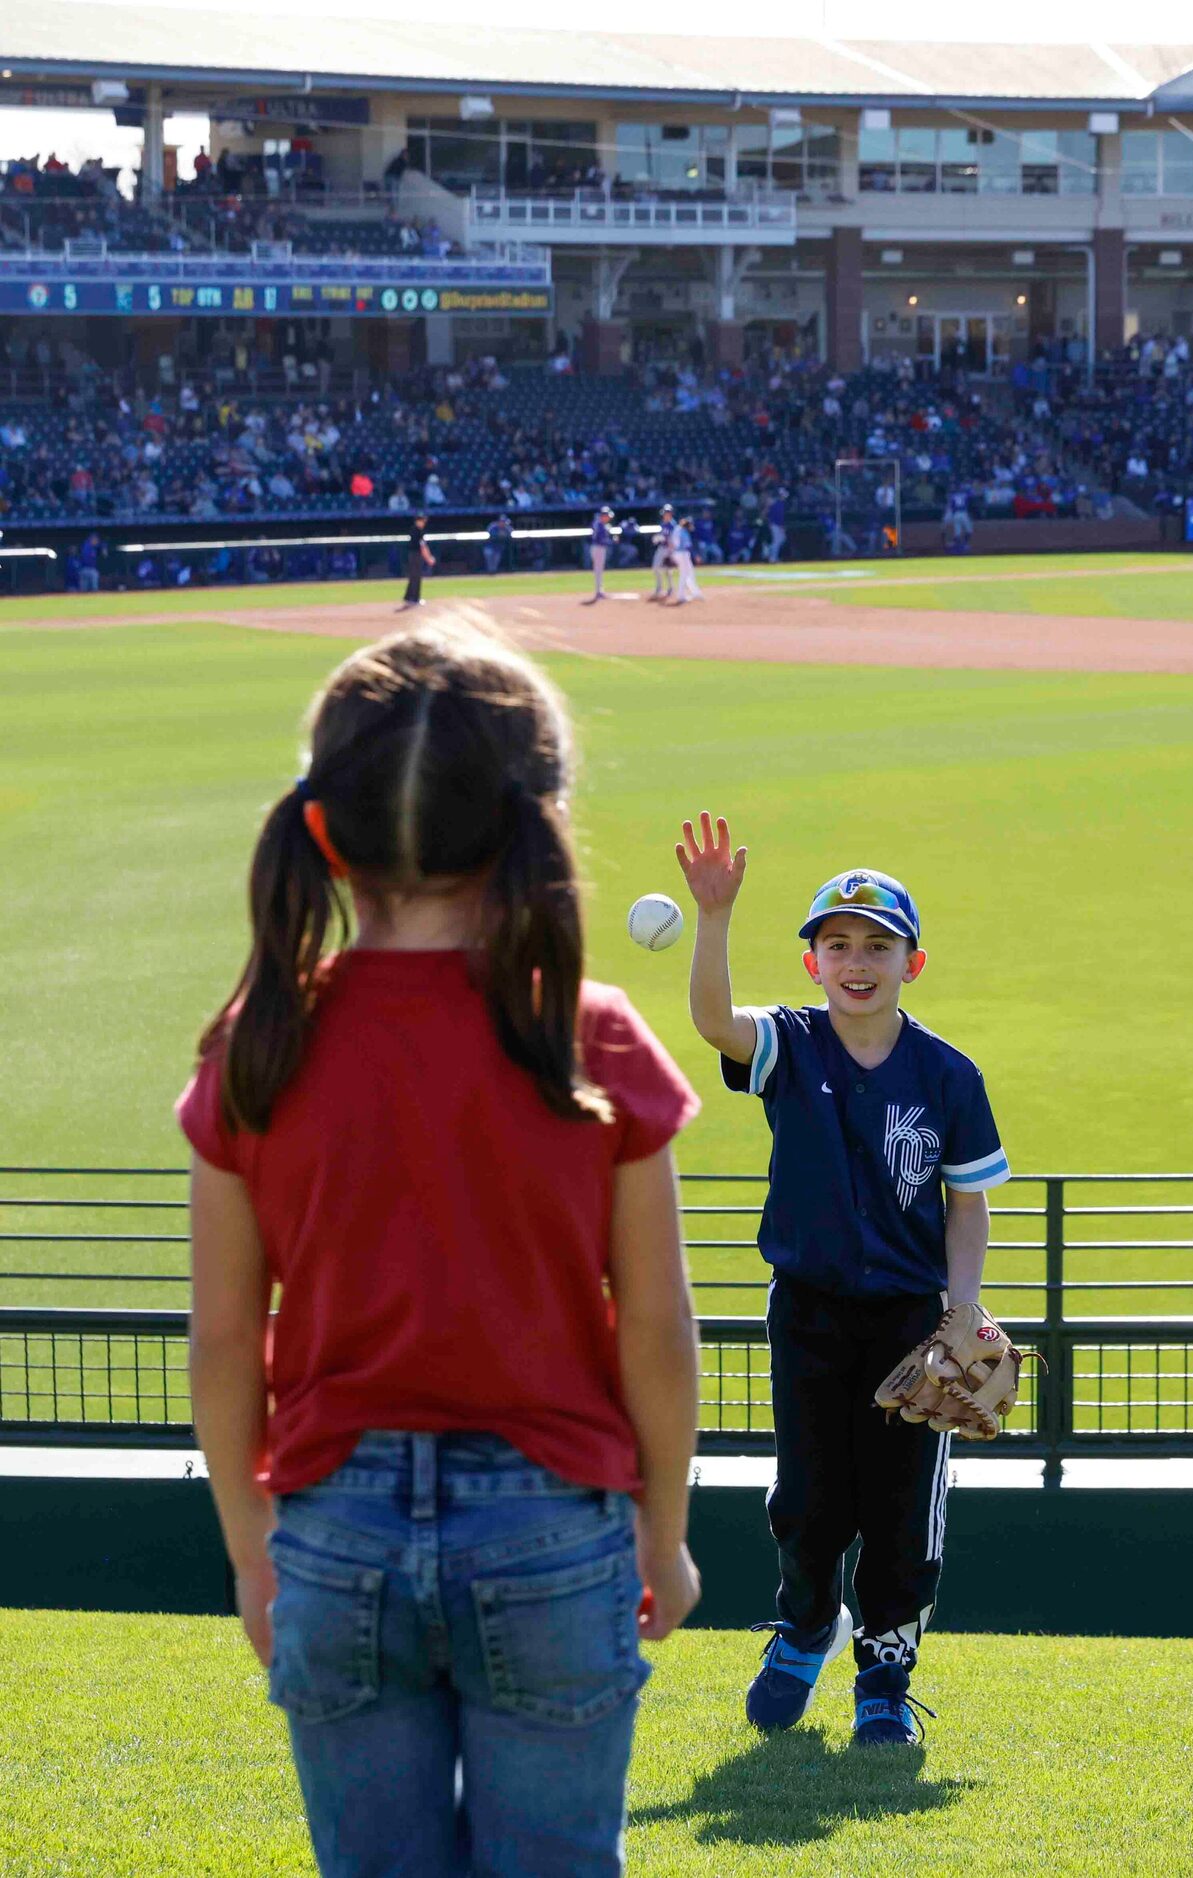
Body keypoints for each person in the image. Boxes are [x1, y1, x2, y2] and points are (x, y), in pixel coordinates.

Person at [179, 623, 704, 1875]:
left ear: (324, 829)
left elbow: (217, 1343)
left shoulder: (260, 1039)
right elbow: (656, 1330)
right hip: (550, 1526)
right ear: (537, 819)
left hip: (333, 1529)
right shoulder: (592, 1036)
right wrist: (666, 1529)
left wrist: (256, 1558)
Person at [673, 827, 1010, 1746]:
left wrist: (962, 1311)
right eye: (838, 944)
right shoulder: (791, 1042)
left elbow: (967, 1203)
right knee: (810, 1503)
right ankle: (808, 1624)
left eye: (878, 944)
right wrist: (714, 917)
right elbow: (714, 1022)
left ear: (914, 961)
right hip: (811, 1313)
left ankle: (886, 1680)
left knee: (903, 1518)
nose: (857, 962)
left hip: (911, 1322)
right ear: (813, 960)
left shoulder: (948, 1075)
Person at [399, 513, 434, 610]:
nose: (424, 522)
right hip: (415, 555)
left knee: (414, 576)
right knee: (416, 576)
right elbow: (423, 546)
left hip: (413, 555)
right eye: (422, 520)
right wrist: (429, 558)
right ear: (418, 521)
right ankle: (414, 598)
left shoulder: (414, 529)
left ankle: (409, 597)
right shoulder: (417, 530)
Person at [668, 511, 701, 603]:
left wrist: (671, 554)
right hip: (682, 554)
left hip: (676, 553)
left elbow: (671, 542)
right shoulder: (683, 532)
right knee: (684, 574)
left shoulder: (677, 529)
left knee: (690, 571)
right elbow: (688, 546)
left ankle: (695, 592)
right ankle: (681, 596)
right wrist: (695, 556)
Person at [650, 504, 676, 601]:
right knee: (656, 567)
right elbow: (662, 536)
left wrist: (664, 540)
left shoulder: (672, 525)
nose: (666, 515)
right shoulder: (663, 524)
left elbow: (673, 539)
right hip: (662, 548)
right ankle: (659, 587)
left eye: (668, 513)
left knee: (668, 570)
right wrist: (658, 538)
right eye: (665, 513)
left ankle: (670, 588)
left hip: (669, 549)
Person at [587, 504, 613, 603]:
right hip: (597, 548)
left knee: (599, 570)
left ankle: (600, 590)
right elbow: (599, 539)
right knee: (598, 570)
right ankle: (599, 591)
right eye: (607, 516)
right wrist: (610, 541)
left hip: (599, 548)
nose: (609, 518)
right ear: (603, 515)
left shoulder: (600, 524)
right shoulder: (599, 524)